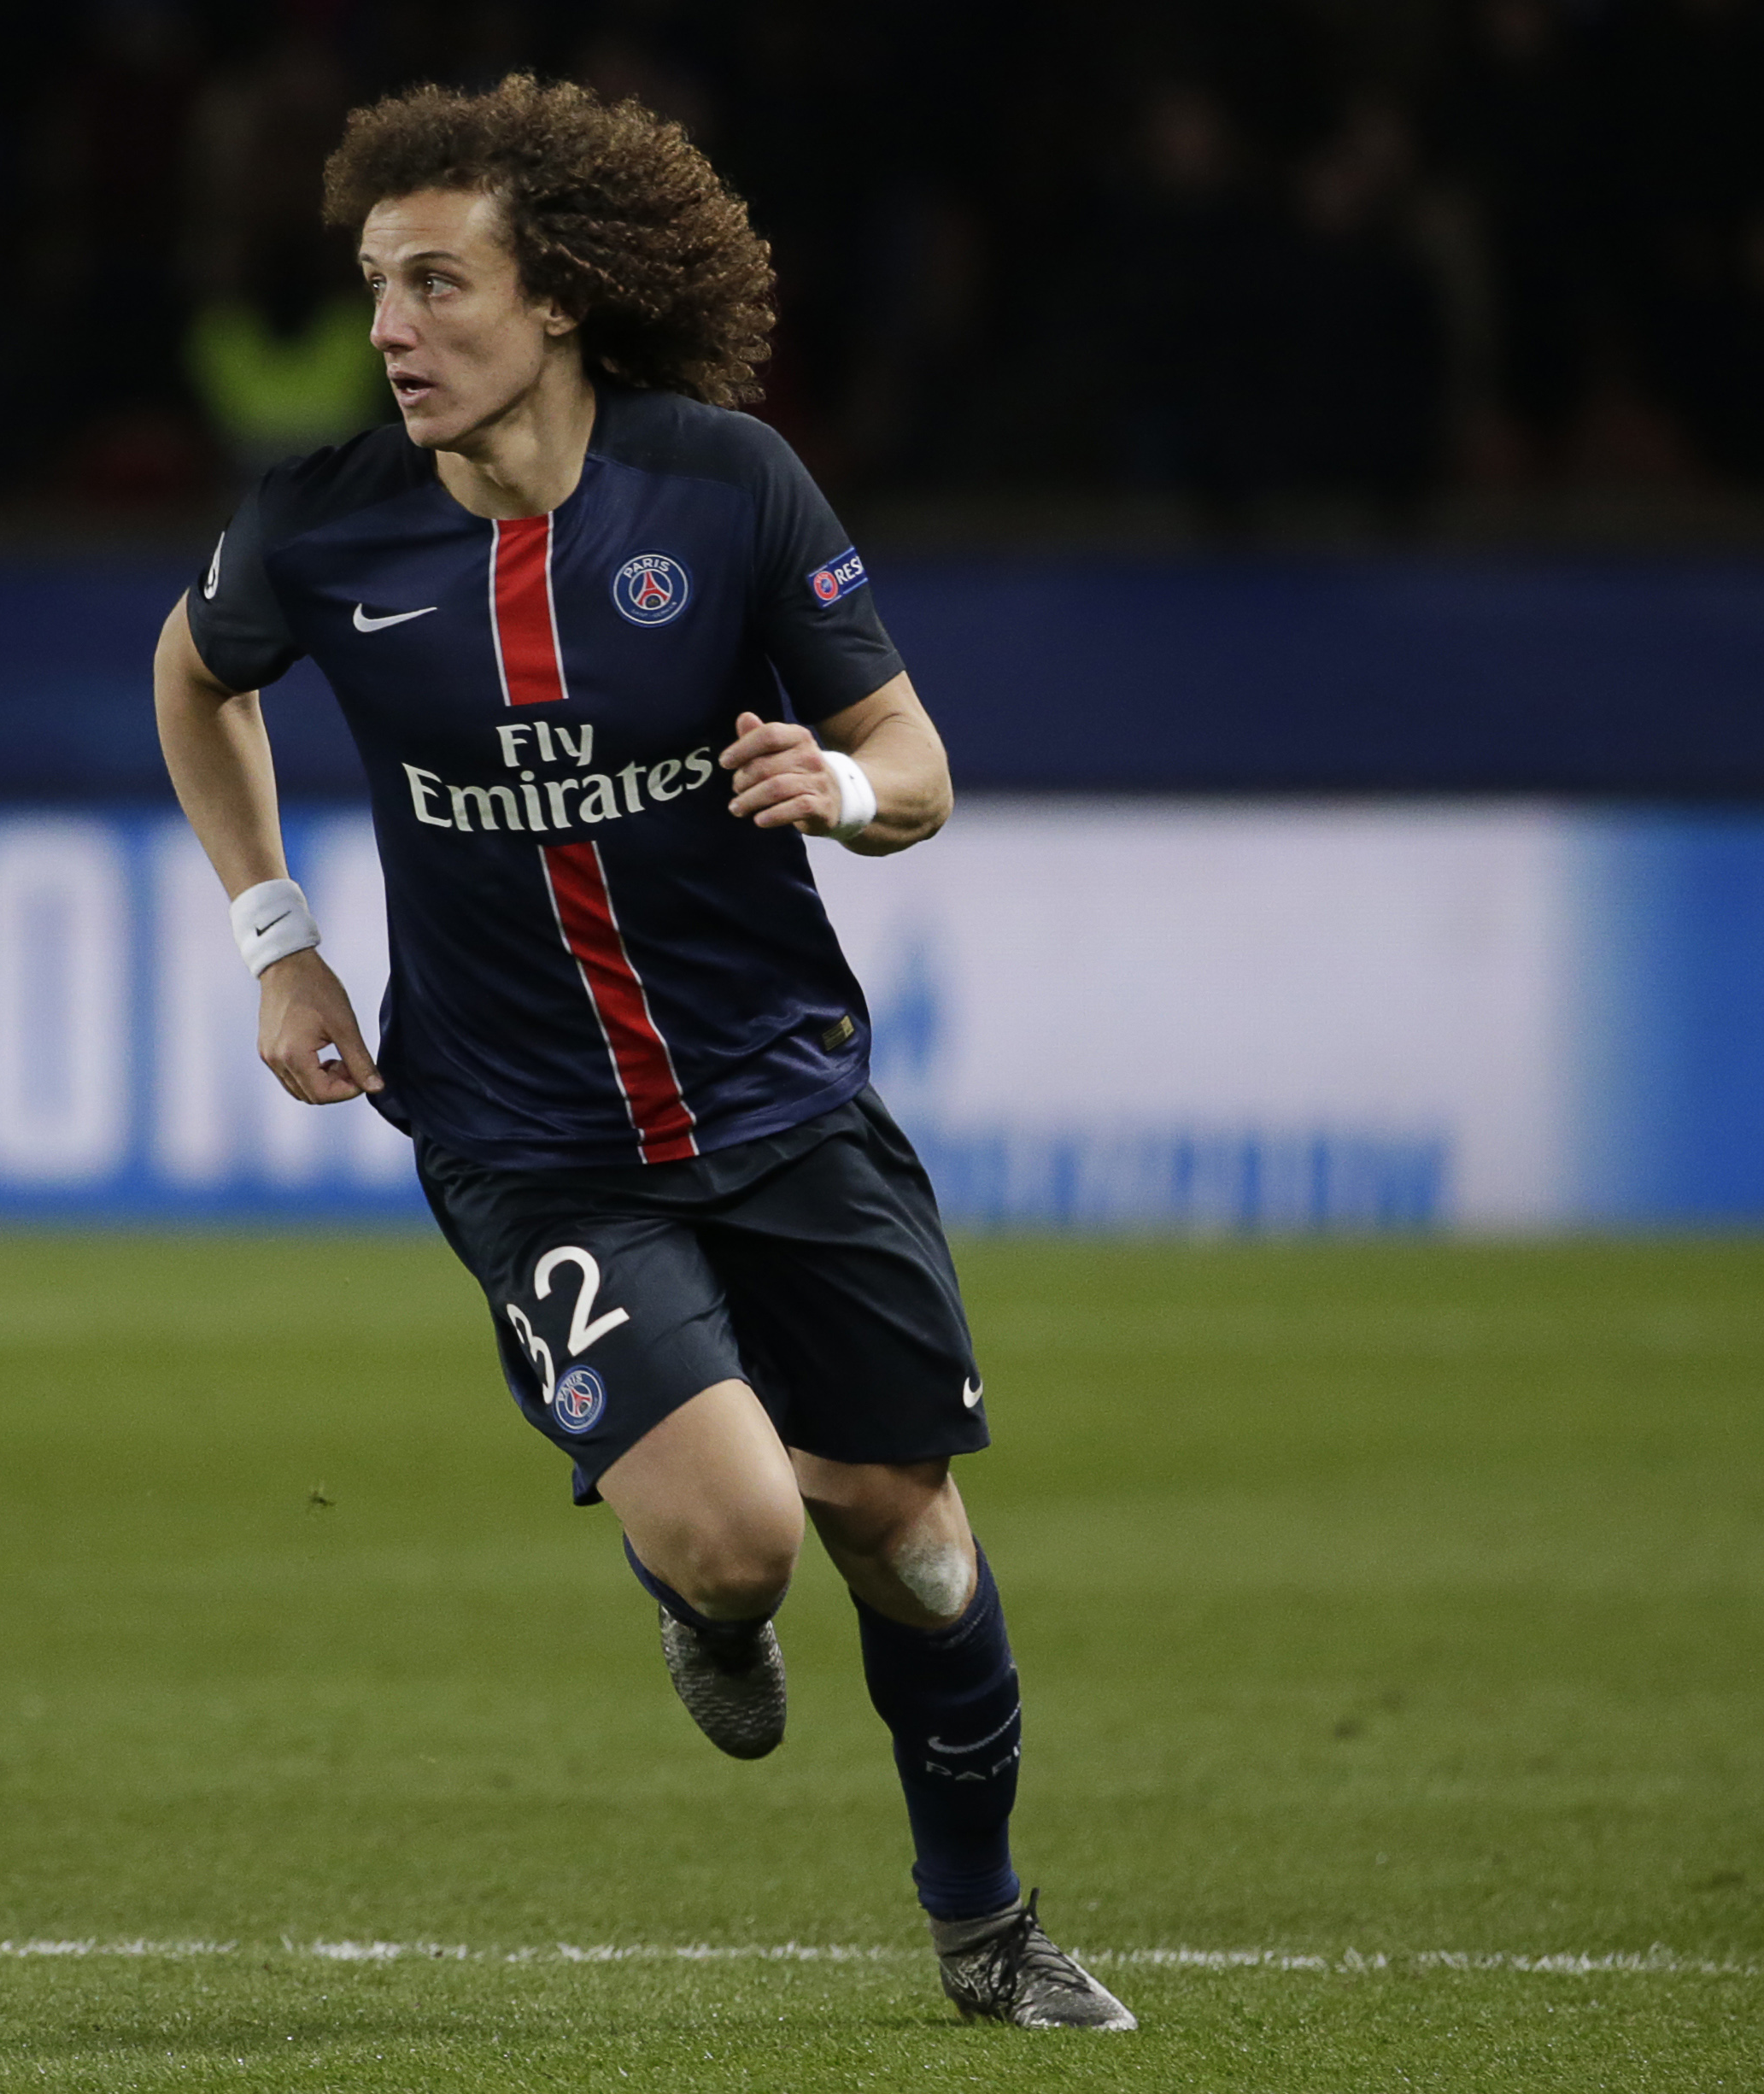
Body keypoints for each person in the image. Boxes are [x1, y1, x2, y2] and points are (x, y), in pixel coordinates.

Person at [152, 75, 1133, 2032]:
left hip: (777, 1100)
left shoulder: (726, 488)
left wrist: (835, 778)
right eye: (372, 286)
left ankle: (984, 1924)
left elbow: (919, 770)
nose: (388, 330)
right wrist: (281, 945)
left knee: (910, 1543)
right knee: (744, 1533)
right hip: (528, 1140)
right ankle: (694, 1589)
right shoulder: (320, 526)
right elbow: (192, 675)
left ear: (563, 300)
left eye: (436, 284)